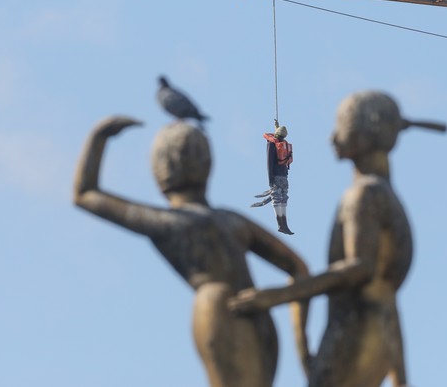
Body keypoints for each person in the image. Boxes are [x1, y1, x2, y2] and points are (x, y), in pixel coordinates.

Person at [230, 91, 447, 387]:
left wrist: (277, 296)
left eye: (341, 126)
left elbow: (359, 268)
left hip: (351, 338)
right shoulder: (386, 196)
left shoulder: (364, 196)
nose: (332, 137)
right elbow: (388, 305)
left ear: (366, 131)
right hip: (379, 337)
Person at [73, 116, 310, 387]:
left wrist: (98, 136)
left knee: (212, 296)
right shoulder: (229, 221)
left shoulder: (171, 223)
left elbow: (85, 194)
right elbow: (299, 269)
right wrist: (289, 323)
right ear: (208, 165)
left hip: (226, 315)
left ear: (161, 169)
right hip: (261, 324)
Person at [252, 123, 294, 235]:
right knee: (283, 199)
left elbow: (269, 162)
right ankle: (283, 224)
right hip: (284, 177)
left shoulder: (272, 144)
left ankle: (282, 224)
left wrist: (270, 179)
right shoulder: (283, 144)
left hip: (276, 176)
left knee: (278, 199)